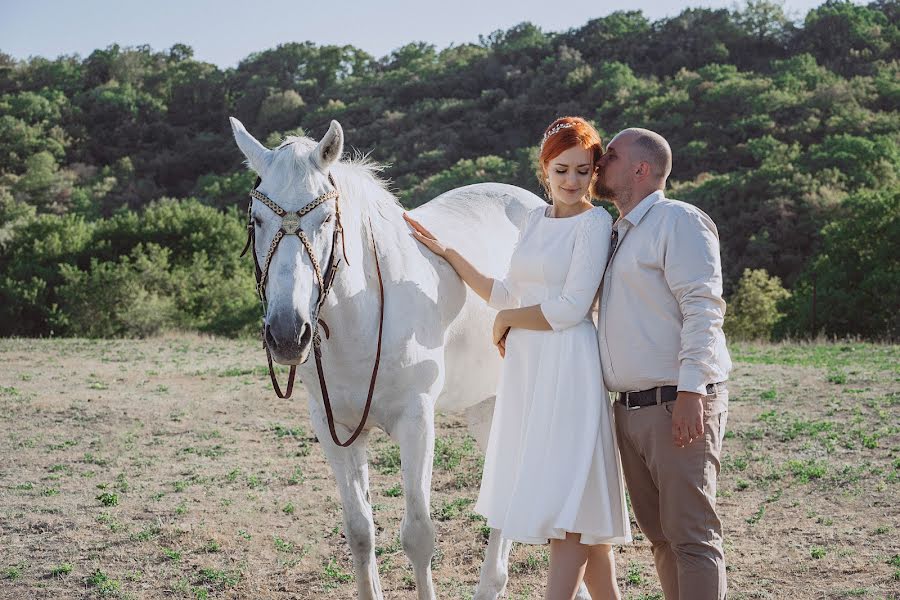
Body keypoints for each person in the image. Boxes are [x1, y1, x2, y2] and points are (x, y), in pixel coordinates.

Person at [404, 116, 631, 600]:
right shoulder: (533, 220)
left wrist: (507, 321)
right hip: (530, 368)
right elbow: (505, 291)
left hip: (568, 365)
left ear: (595, 173)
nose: (571, 181)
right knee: (582, 522)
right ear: (544, 170)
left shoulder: (595, 223)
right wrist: (449, 252)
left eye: (582, 171)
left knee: (569, 509)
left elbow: (572, 307)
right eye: (561, 170)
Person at [592, 128, 732, 600]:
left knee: (691, 537)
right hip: (628, 410)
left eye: (609, 155)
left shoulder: (678, 221)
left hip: (677, 403)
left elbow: (703, 306)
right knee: (660, 538)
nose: (598, 162)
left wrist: (692, 391)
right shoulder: (616, 233)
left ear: (640, 169)